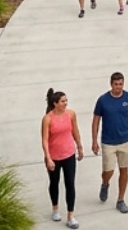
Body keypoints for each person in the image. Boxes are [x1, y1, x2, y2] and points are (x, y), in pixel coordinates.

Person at [91, 72, 128, 213]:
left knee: (124, 170)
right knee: (108, 170)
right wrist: (94, 141)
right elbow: (95, 121)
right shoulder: (103, 100)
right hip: (108, 142)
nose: (118, 87)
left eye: (121, 84)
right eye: (116, 84)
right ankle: (105, 183)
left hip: (125, 140)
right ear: (111, 84)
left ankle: (120, 199)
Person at [42, 88, 84, 227]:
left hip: (69, 154)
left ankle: (70, 216)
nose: (65, 103)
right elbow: (45, 140)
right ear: (55, 103)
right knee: (54, 183)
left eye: (66, 100)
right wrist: (48, 158)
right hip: (54, 157)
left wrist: (79, 146)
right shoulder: (48, 118)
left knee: (70, 184)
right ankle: (55, 208)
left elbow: (75, 131)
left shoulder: (71, 114)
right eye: (62, 101)